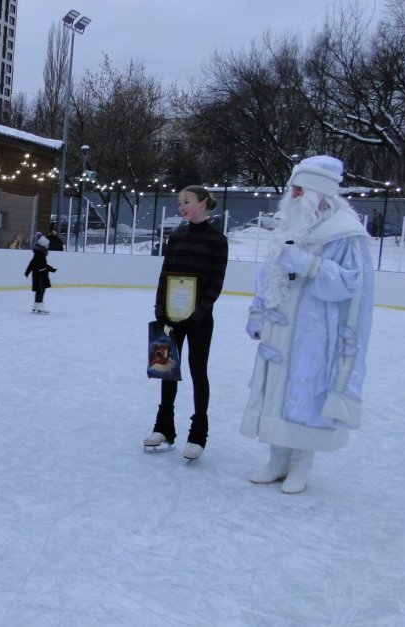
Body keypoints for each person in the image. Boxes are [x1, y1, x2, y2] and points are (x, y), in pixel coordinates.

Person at [241, 155, 374, 494]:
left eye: (300, 190)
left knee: (303, 396)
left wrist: (309, 265)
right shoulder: (290, 224)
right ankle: (277, 459)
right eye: (293, 189)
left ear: (319, 192)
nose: (294, 196)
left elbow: (351, 284)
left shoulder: (344, 233)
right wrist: (259, 311)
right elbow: (267, 272)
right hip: (279, 330)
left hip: (315, 333)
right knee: (274, 392)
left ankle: (301, 465)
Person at [143, 185, 228, 461]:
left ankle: (198, 435)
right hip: (170, 316)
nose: (181, 206)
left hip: (199, 320)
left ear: (202, 203)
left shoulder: (217, 240)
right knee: (166, 370)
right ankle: (164, 428)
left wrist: (198, 314)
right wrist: (160, 306)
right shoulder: (177, 237)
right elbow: (164, 275)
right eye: (180, 202)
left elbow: (215, 284)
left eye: (186, 201)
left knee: (197, 371)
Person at [25, 233, 57, 314]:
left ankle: (35, 305)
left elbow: (32, 263)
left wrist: (27, 271)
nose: (48, 246)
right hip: (41, 275)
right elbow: (43, 265)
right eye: (47, 245)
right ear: (43, 245)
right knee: (41, 290)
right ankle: (40, 305)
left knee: (38, 290)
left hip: (38, 274)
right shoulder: (40, 254)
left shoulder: (38, 253)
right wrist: (52, 269)